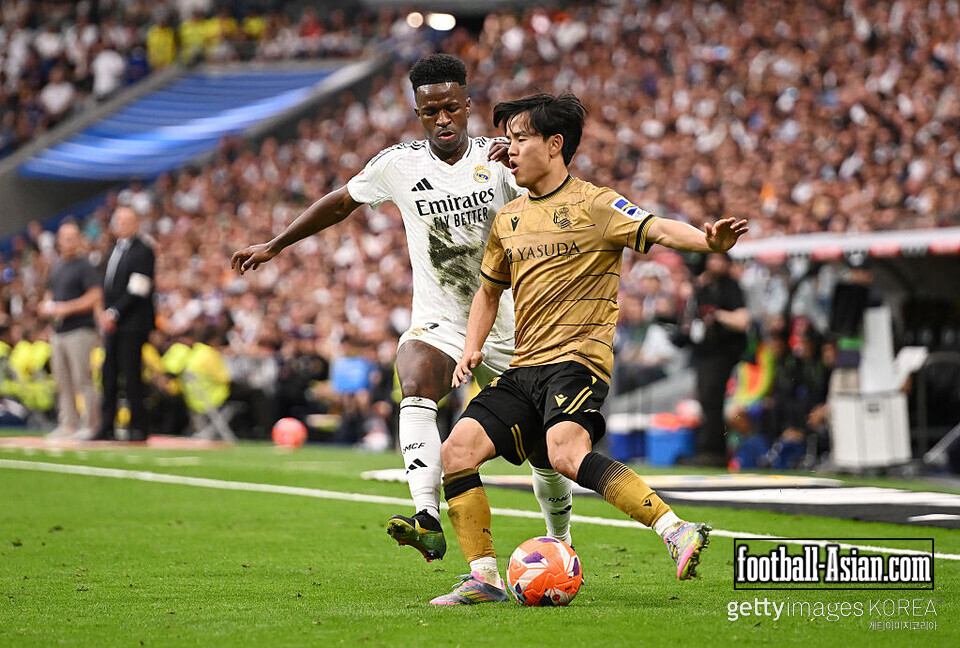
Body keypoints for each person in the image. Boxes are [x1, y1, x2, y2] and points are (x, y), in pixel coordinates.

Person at [231, 54, 576, 561]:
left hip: (512, 324)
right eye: (430, 111)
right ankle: (427, 516)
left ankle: (562, 544)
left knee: (546, 455)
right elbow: (340, 202)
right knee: (413, 376)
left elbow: (555, 195)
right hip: (441, 321)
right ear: (417, 111)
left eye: (451, 109)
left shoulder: (498, 161)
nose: (442, 120)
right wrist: (276, 245)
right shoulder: (398, 165)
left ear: (467, 105)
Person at [431, 92, 748, 605]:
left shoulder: (596, 204)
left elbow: (659, 227)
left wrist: (709, 243)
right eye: (507, 140)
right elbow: (488, 291)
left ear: (554, 145)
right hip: (524, 365)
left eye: (519, 139)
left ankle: (676, 530)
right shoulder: (507, 218)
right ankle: (484, 576)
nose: (507, 150)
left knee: (565, 453)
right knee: (456, 451)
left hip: (577, 362)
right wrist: (470, 348)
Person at [94, 206, 156, 442]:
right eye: (117, 220)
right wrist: (103, 314)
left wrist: (113, 313)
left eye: (125, 220)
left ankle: (138, 426)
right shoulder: (112, 250)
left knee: (131, 375)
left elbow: (139, 288)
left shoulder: (143, 250)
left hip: (132, 323)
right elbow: (105, 286)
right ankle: (106, 425)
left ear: (136, 223)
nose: (120, 224)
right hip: (112, 323)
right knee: (108, 374)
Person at [40, 220, 102, 439]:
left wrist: (67, 308)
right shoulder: (56, 266)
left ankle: (91, 424)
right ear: (59, 240)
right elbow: (51, 292)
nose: (69, 242)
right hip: (58, 331)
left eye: (73, 237)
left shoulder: (84, 265)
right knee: (62, 379)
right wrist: (47, 305)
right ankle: (68, 423)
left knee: (82, 378)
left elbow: (95, 295)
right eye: (66, 237)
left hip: (80, 329)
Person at [687, 253, 749, 466]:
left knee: (714, 400)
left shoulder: (731, 287)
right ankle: (707, 449)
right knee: (706, 401)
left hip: (724, 354)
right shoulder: (702, 288)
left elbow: (742, 320)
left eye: (720, 260)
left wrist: (718, 315)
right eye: (712, 260)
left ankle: (714, 452)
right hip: (704, 353)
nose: (715, 264)